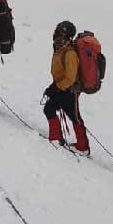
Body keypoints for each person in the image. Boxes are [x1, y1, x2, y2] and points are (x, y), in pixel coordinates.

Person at [43, 20, 89, 154]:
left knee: (74, 117)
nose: (56, 35)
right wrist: (54, 86)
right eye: (56, 32)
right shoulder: (60, 49)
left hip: (70, 91)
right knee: (49, 108)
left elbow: (70, 77)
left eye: (59, 33)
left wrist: (57, 87)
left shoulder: (69, 53)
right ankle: (56, 138)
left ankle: (83, 146)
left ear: (67, 36)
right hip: (61, 88)